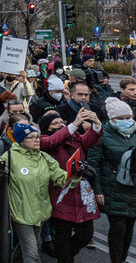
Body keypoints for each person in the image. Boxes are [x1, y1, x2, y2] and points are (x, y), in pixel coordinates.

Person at [38, 109, 102, 263]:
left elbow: (88, 140)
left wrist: (97, 125)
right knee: (62, 237)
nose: (60, 124)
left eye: (61, 121)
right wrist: (74, 124)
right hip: (59, 193)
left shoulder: (73, 137)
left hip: (79, 191)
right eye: (55, 123)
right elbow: (53, 141)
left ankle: (64, 257)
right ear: (47, 127)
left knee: (85, 234)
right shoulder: (43, 139)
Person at [0, 123, 67, 263]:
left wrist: (74, 174)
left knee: (28, 246)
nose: (37, 140)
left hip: (41, 211)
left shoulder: (44, 157)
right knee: (32, 252)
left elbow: (60, 177)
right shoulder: (9, 157)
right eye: (31, 137)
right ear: (21, 140)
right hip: (21, 212)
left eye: (38, 137)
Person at [87, 97, 136, 263]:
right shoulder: (102, 135)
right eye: (120, 119)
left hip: (133, 190)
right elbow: (94, 165)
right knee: (118, 228)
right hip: (113, 189)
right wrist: (97, 190)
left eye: (128, 117)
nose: (125, 121)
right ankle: (116, 260)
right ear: (111, 119)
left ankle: (122, 259)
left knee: (129, 229)